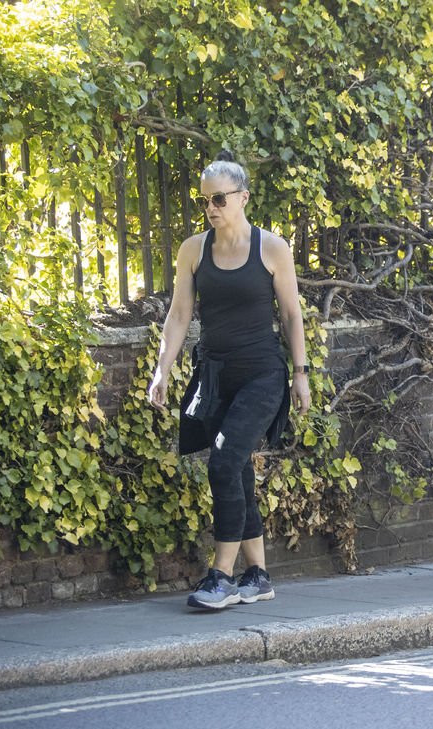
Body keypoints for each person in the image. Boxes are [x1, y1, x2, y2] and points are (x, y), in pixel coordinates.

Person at [148, 150, 311, 609]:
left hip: (262, 375)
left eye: (219, 199)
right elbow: (179, 315)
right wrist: (162, 369)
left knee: (222, 462)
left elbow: (291, 315)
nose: (211, 208)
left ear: (243, 198)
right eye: (205, 200)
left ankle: (220, 577)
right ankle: (257, 575)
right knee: (237, 469)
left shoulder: (272, 248)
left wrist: (301, 374)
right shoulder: (193, 250)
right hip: (215, 375)